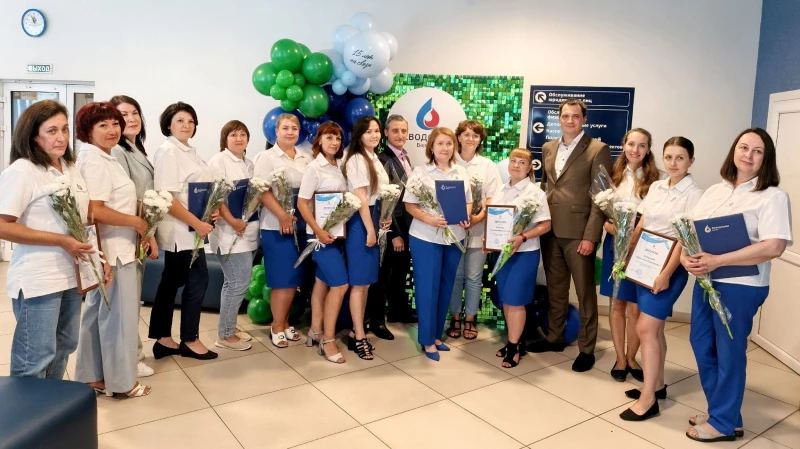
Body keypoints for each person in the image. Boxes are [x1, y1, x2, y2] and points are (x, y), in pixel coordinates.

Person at [682, 128, 792, 443]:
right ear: (734, 151)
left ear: (766, 159)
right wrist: (687, 258)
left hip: (741, 286)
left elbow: (774, 246)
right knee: (702, 343)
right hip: (707, 280)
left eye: (757, 151)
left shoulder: (773, 196)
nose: (748, 155)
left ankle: (723, 423)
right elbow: (692, 232)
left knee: (729, 352)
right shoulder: (714, 192)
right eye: (744, 147)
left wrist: (719, 260)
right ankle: (724, 412)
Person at [0, 100, 110, 379]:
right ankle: (27, 407)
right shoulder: (23, 171)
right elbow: (3, 226)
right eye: (51, 131)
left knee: (64, 346)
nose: (61, 137)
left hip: (72, 276)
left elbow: (82, 223)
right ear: (33, 136)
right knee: (36, 357)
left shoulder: (70, 167)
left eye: (64, 129)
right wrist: (60, 241)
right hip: (40, 280)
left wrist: (99, 259)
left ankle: (51, 403)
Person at [619, 137, 704, 421]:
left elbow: (684, 236)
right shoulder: (657, 186)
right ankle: (656, 385)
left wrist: (666, 273)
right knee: (654, 330)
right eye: (669, 157)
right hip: (645, 261)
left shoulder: (695, 194)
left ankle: (648, 400)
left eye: (680, 158)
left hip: (669, 267)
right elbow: (644, 221)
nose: (674, 163)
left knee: (645, 328)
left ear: (691, 160)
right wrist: (628, 250)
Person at [73, 102, 154, 397]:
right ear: (87, 130)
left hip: (112, 249)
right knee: (118, 319)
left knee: (99, 316)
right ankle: (122, 383)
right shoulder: (95, 161)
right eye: (103, 125)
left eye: (115, 123)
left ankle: (92, 376)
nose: (112, 130)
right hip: (113, 250)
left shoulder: (104, 156)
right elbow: (94, 211)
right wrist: (136, 222)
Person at [530, 99, 612, 373]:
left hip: (579, 233)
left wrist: (591, 236)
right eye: (565, 116)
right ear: (559, 119)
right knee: (556, 289)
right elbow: (546, 187)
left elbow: (601, 196)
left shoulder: (598, 149)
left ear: (584, 119)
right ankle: (554, 337)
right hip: (549, 229)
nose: (570, 121)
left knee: (585, 293)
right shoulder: (548, 147)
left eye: (576, 116)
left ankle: (587, 349)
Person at [149, 101, 218, 360]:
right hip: (180, 231)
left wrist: (209, 212)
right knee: (196, 281)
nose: (186, 125)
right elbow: (166, 196)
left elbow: (196, 191)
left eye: (190, 121)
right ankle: (189, 339)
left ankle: (163, 339)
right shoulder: (168, 151)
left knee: (172, 282)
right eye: (179, 120)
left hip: (193, 229)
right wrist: (197, 223)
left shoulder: (190, 152)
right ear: (168, 125)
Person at [600, 128, 663, 382]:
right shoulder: (612, 175)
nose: (635, 150)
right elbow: (602, 213)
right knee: (617, 304)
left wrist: (633, 236)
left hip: (641, 245)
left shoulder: (656, 180)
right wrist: (610, 227)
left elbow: (656, 217)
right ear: (624, 145)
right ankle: (619, 358)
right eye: (631, 144)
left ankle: (632, 357)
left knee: (636, 307)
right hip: (614, 241)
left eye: (642, 145)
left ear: (648, 150)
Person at [404, 127, 471, 361]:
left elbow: (468, 202)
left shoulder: (461, 172)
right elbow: (410, 205)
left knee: (445, 286)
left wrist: (466, 216)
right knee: (427, 287)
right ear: (431, 147)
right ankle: (426, 340)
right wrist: (430, 219)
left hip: (454, 236)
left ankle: (436, 335)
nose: (445, 148)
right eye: (440, 143)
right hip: (426, 237)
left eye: (449, 144)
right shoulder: (420, 172)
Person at [254, 114, 312, 348]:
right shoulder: (266, 157)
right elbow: (262, 190)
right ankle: (276, 326)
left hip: (302, 223)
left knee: (295, 278)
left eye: (294, 128)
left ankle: (285, 322)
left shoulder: (306, 157)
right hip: (277, 225)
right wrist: (282, 216)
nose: (290, 132)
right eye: (285, 128)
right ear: (276, 132)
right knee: (283, 279)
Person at [490, 149, 551, 368]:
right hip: (501, 253)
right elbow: (494, 219)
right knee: (507, 299)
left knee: (516, 301)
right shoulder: (500, 189)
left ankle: (515, 347)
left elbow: (546, 225)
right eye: (513, 161)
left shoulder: (535, 193)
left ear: (529, 167)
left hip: (523, 254)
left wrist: (523, 237)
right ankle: (513, 342)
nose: (516, 165)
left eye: (522, 162)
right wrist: (489, 240)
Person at [109, 94, 155, 377]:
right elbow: (128, 197)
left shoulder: (137, 148)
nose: (131, 119)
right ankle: (130, 358)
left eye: (135, 112)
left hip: (141, 231)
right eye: (123, 115)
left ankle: (132, 353)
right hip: (129, 233)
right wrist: (145, 232)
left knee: (132, 297)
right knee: (126, 300)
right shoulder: (118, 151)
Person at [297, 122, 350, 363]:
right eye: (329, 137)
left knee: (322, 282)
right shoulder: (314, 168)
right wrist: (318, 231)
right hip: (319, 238)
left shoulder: (340, 165)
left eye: (337, 138)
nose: (334, 142)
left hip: (337, 236)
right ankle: (328, 340)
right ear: (319, 140)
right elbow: (302, 203)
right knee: (340, 285)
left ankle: (315, 330)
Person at [342, 116, 391, 359]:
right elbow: (361, 197)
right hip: (361, 222)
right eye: (369, 131)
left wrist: (384, 218)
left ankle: (356, 331)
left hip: (373, 218)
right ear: (359, 134)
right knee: (359, 283)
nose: (374, 135)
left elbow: (379, 194)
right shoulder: (356, 159)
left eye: (377, 131)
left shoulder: (374, 158)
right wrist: (370, 229)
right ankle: (360, 336)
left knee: (367, 283)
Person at [365, 115, 417, 341]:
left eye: (403, 130)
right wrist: (394, 233)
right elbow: (386, 200)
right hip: (390, 227)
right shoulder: (382, 159)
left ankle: (398, 310)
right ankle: (377, 320)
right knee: (383, 274)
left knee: (400, 271)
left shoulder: (405, 157)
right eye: (395, 130)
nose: (400, 135)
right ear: (385, 133)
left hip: (407, 226)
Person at [207, 120, 259, 351]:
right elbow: (217, 197)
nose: (239, 139)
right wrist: (233, 221)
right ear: (225, 139)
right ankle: (225, 335)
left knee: (234, 282)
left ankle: (230, 325)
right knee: (238, 283)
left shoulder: (249, 163)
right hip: (229, 233)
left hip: (247, 230)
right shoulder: (218, 161)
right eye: (233, 135)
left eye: (243, 134)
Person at [449, 120, 502, 341]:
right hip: (453, 230)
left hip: (479, 229)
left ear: (480, 140)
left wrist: (477, 218)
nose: (471, 139)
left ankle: (470, 318)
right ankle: (454, 317)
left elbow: (492, 197)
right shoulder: (450, 162)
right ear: (458, 137)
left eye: (475, 135)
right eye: (466, 134)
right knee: (455, 276)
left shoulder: (488, 166)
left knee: (473, 276)